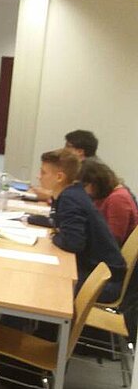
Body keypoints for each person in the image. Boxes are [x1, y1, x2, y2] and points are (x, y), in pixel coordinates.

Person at [33, 149, 126, 302]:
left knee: (44, 283)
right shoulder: (71, 193)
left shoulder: (70, 198)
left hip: (103, 280)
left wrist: (55, 236)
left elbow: (73, 243)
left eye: (43, 172)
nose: (39, 176)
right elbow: (59, 222)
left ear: (59, 177)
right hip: (96, 270)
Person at [32, 129, 102, 202]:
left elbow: (75, 198)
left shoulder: (87, 170)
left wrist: (50, 195)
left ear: (80, 151)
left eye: (68, 146)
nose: (64, 149)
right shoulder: (89, 164)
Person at [78, 160, 138, 246]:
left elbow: (113, 239)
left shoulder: (118, 198)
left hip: (109, 251)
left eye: (84, 186)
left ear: (95, 182)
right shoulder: (103, 196)